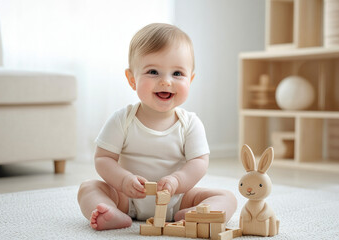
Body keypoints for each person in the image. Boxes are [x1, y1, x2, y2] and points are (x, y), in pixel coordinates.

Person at [77, 23, 237, 231]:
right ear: (132, 79)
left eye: (177, 73)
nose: (166, 81)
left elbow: (199, 162)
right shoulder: (122, 119)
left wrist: (177, 181)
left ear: (191, 79)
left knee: (227, 197)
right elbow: (103, 158)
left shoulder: (190, 123)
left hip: (178, 197)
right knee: (88, 188)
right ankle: (111, 212)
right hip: (127, 198)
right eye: (153, 71)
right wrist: (124, 181)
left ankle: (191, 215)